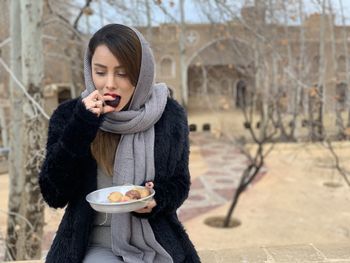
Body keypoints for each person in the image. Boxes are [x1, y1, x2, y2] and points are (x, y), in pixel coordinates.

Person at [39, 24, 201, 263]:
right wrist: (82, 126)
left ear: (141, 74)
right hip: (92, 244)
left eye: (122, 73)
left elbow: (180, 183)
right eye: (101, 72)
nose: (109, 84)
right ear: (89, 70)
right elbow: (53, 194)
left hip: (154, 239)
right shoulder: (70, 116)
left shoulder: (169, 116)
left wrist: (156, 199)